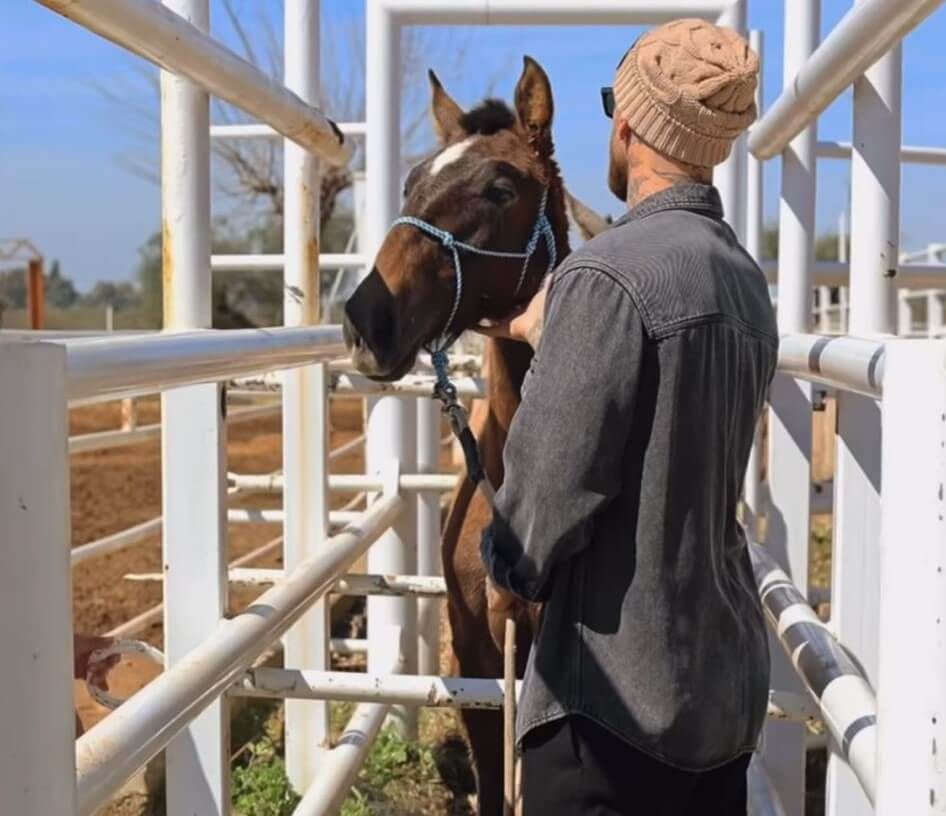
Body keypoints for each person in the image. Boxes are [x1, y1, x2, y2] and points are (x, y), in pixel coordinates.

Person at [477, 19, 776, 815]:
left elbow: (541, 503)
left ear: (627, 123)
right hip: (718, 697)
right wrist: (564, 328)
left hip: (608, 716)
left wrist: (505, 568)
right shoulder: (745, 281)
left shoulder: (604, 276)